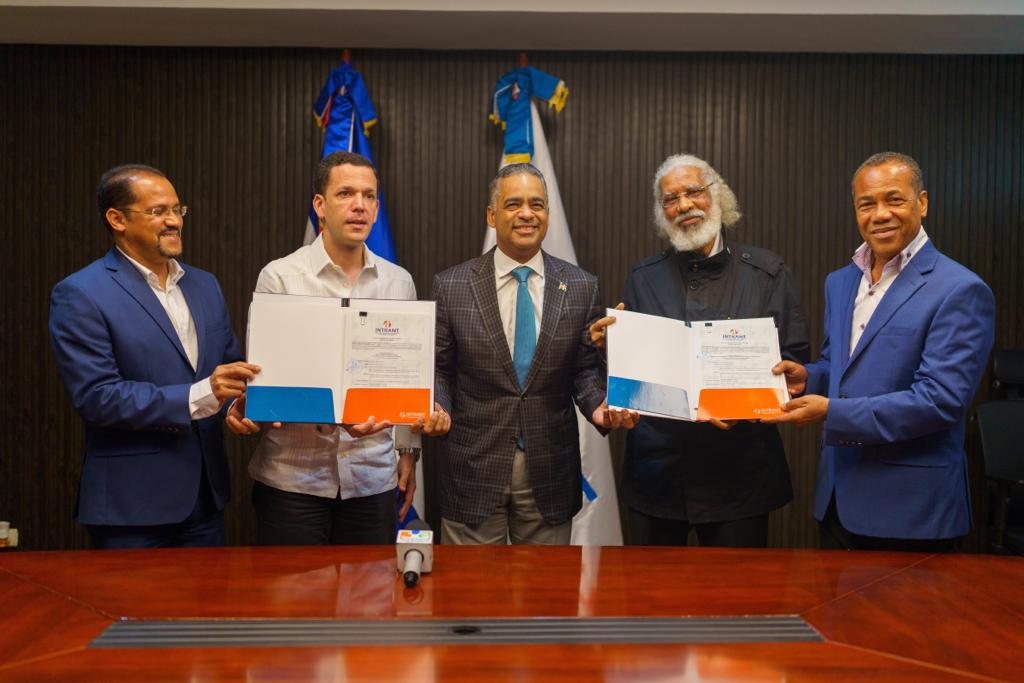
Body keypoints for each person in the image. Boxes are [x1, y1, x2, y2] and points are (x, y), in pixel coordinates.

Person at [764, 152, 996, 551]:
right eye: (866, 204)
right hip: (837, 501)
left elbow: (940, 401)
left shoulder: (960, 289)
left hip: (911, 512)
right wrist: (810, 377)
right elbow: (841, 365)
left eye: (894, 200)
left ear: (922, 202)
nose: (880, 214)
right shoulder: (840, 282)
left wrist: (832, 412)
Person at [226, 151, 450, 545]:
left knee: (370, 587)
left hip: (371, 479)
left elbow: (406, 377)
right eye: (345, 193)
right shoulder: (280, 277)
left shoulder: (399, 282)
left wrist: (408, 453)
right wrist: (261, 404)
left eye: (369, 196)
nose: (359, 205)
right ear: (320, 205)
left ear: (377, 209)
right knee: (293, 588)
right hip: (293, 480)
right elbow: (267, 378)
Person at [589, 153, 810, 548]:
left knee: (735, 587)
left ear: (717, 195)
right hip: (657, 473)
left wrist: (749, 402)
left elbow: (793, 363)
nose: (684, 205)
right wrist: (611, 348)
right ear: (662, 213)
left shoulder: (766, 272)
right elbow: (634, 371)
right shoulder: (643, 277)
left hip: (740, 476)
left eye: (693, 191)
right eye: (670, 199)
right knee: (653, 587)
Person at [49, 164, 257, 548]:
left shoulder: (205, 285)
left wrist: (234, 406)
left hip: (206, 500)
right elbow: (98, 397)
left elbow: (225, 371)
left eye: (177, 210)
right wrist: (202, 394)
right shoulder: (81, 293)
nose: (174, 221)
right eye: (158, 211)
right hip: (131, 509)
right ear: (117, 219)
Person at [432, 163, 637, 545]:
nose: (527, 213)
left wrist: (598, 406)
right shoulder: (453, 285)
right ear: (492, 215)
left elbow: (583, 371)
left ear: (547, 214)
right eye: (513, 204)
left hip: (550, 469)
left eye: (537, 204)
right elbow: (440, 368)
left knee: (546, 585)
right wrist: (438, 405)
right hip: (474, 468)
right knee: (470, 584)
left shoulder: (581, 286)